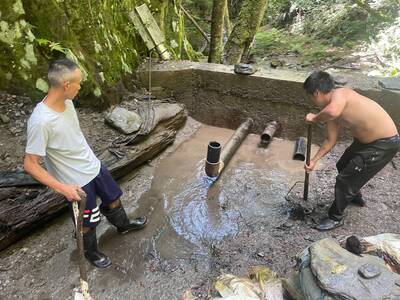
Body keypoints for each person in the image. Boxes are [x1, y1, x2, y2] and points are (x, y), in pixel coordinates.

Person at [24, 58, 147, 268]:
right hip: (75, 181)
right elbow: (30, 164)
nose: (80, 87)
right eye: (78, 83)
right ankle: (91, 252)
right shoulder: (41, 122)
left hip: (94, 166)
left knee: (113, 199)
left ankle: (123, 225)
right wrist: (63, 188)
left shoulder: (68, 103)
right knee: (87, 222)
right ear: (66, 86)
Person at [303, 71, 399, 231]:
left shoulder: (341, 94)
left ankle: (335, 217)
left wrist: (314, 118)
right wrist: (314, 160)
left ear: (317, 93)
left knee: (345, 179)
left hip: (384, 144)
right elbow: (330, 140)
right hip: (366, 143)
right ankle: (353, 195)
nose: (313, 101)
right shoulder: (330, 110)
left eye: (311, 97)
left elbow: (332, 112)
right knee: (343, 164)